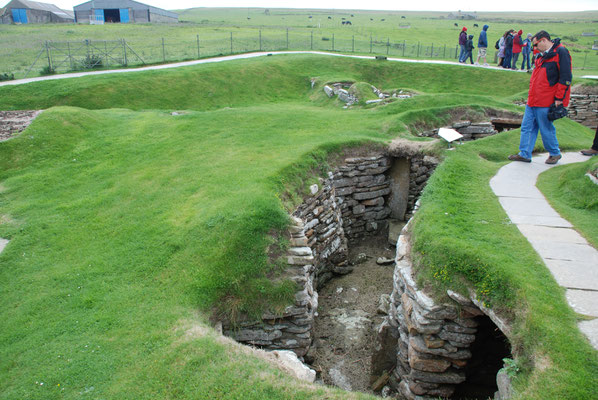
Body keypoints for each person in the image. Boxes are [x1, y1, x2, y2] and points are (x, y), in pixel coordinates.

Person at [509, 31, 572, 165]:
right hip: (533, 99)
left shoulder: (561, 52)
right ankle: (524, 153)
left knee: (545, 128)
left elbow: (566, 77)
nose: (535, 48)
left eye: (536, 45)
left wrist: (559, 98)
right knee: (527, 127)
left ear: (544, 40)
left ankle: (554, 153)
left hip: (546, 99)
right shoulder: (542, 55)